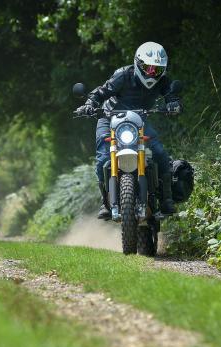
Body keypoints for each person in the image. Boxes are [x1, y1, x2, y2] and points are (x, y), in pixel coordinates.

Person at [74, 41, 182, 220]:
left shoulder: (163, 80)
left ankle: (166, 199)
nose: (152, 73)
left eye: (156, 70)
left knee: (160, 153)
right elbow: (102, 91)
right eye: (147, 68)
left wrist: (173, 103)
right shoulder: (123, 75)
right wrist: (89, 104)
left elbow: (170, 93)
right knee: (103, 159)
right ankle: (105, 200)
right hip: (109, 118)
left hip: (138, 120)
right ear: (138, 64)